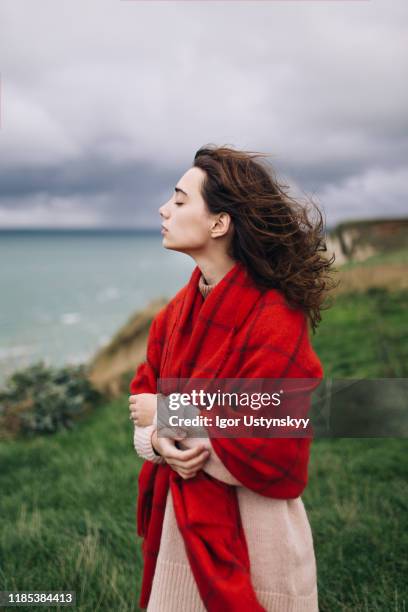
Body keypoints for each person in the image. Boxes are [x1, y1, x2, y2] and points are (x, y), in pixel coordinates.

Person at [129, 144, 336, 611]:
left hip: (258, 533)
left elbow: (275, 436)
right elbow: (140, 397)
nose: (165, 209)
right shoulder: (173, 315)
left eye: (181, 200)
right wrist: (160, 443)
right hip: (179, 528)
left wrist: (167, 414)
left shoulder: (276, 318)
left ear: (219, 224)